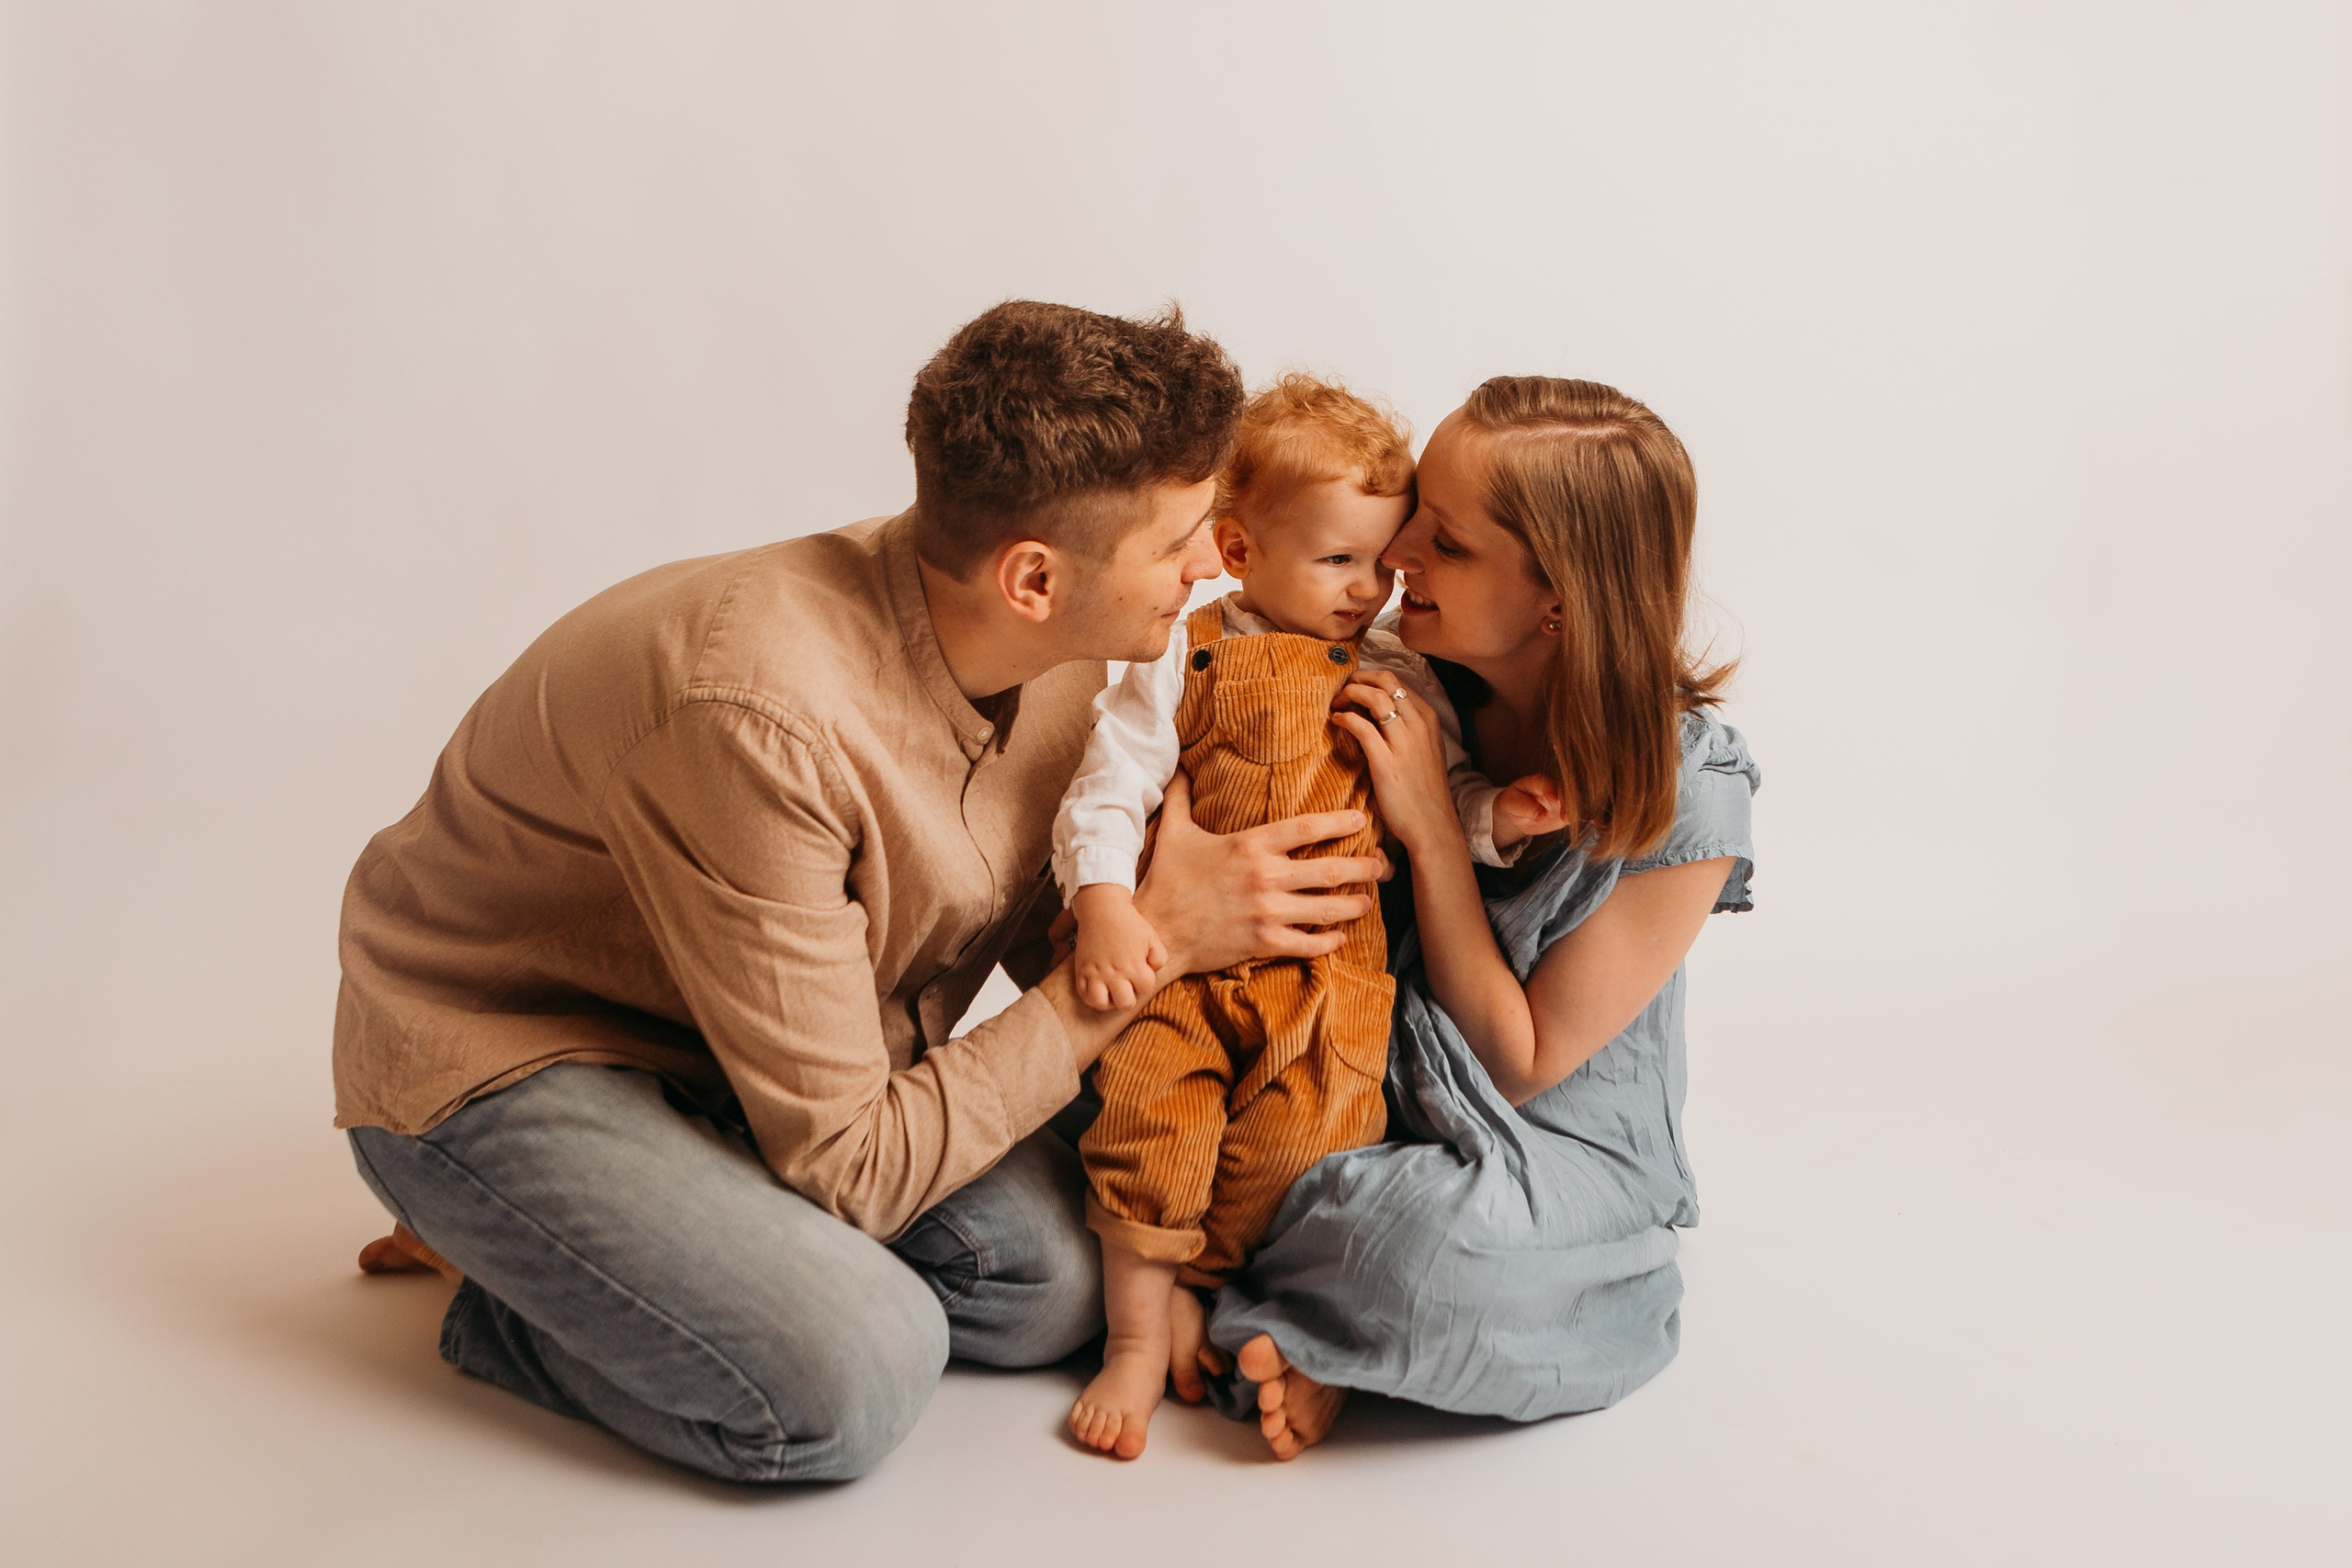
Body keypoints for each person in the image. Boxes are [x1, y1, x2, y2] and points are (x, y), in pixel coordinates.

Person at [333, 300, 1390, 1483]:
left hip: (763, 1046)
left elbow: (1058, 938)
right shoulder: (757, 719)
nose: (1212, 563)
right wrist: (1164, 935)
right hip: (516, 1054)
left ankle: (679, 1239)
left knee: (1055, 1286)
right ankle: (506, 1280)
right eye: (1183, 538)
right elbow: (854, 1162)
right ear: (1034, 577)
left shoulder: (1075, 649)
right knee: (850, 1376)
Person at [1182, 376, 1762, 1459]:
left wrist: (1436, 836)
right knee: (1172, 1122)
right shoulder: (1405, 681)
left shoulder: (1687, 793)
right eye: (1412, 514)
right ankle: (1324, 1327)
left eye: (1443, 540)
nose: (1395, 552)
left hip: (1549, 1148)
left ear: (1559, 595)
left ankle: (1300, 1317)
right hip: (1350, 1084)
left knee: (1440, 1261)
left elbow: (1519, 1061)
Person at [1051, 377, 1572, 1458]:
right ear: (1237, 551)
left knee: (1308, 1144)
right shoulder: (1179, 655)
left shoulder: (1400, 675)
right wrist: (1102, 901)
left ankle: (1205, 1280)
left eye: (1383, 563)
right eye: (1339, 561)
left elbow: (1444, 790)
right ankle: (1136, 1342)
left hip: (1331, 983)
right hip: (1186, 968)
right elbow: (1109, 788)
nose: (1370, 590)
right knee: (1149, 1117)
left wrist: (1499, 819)